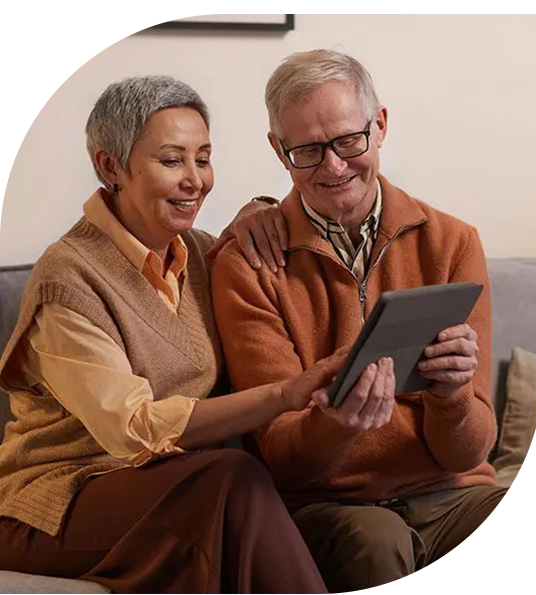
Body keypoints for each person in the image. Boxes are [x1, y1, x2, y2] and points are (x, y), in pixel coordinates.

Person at [0, 74, 348, 594]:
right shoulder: (66, 278)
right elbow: (133, 428)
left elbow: (285, 238)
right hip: (53, 502)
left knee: (237, 490)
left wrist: (261, 208)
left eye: (203, 159)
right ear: (110, 166)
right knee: (231, 479)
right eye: (172, 161)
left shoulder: (205, 256)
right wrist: (283, 395)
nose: (196, 181)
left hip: (170, 486)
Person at [211, 49, 507, 594]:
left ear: (381, 126)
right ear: (279, 151)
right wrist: (338, 423)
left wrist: (454, 395)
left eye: (349, 140)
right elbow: (284, 458)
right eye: (307, 150)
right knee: (376, 545)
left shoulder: (453, 243)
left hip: (453, 492)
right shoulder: (248, 266)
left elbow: (472, 452)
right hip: (331, 506)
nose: (333, 166)